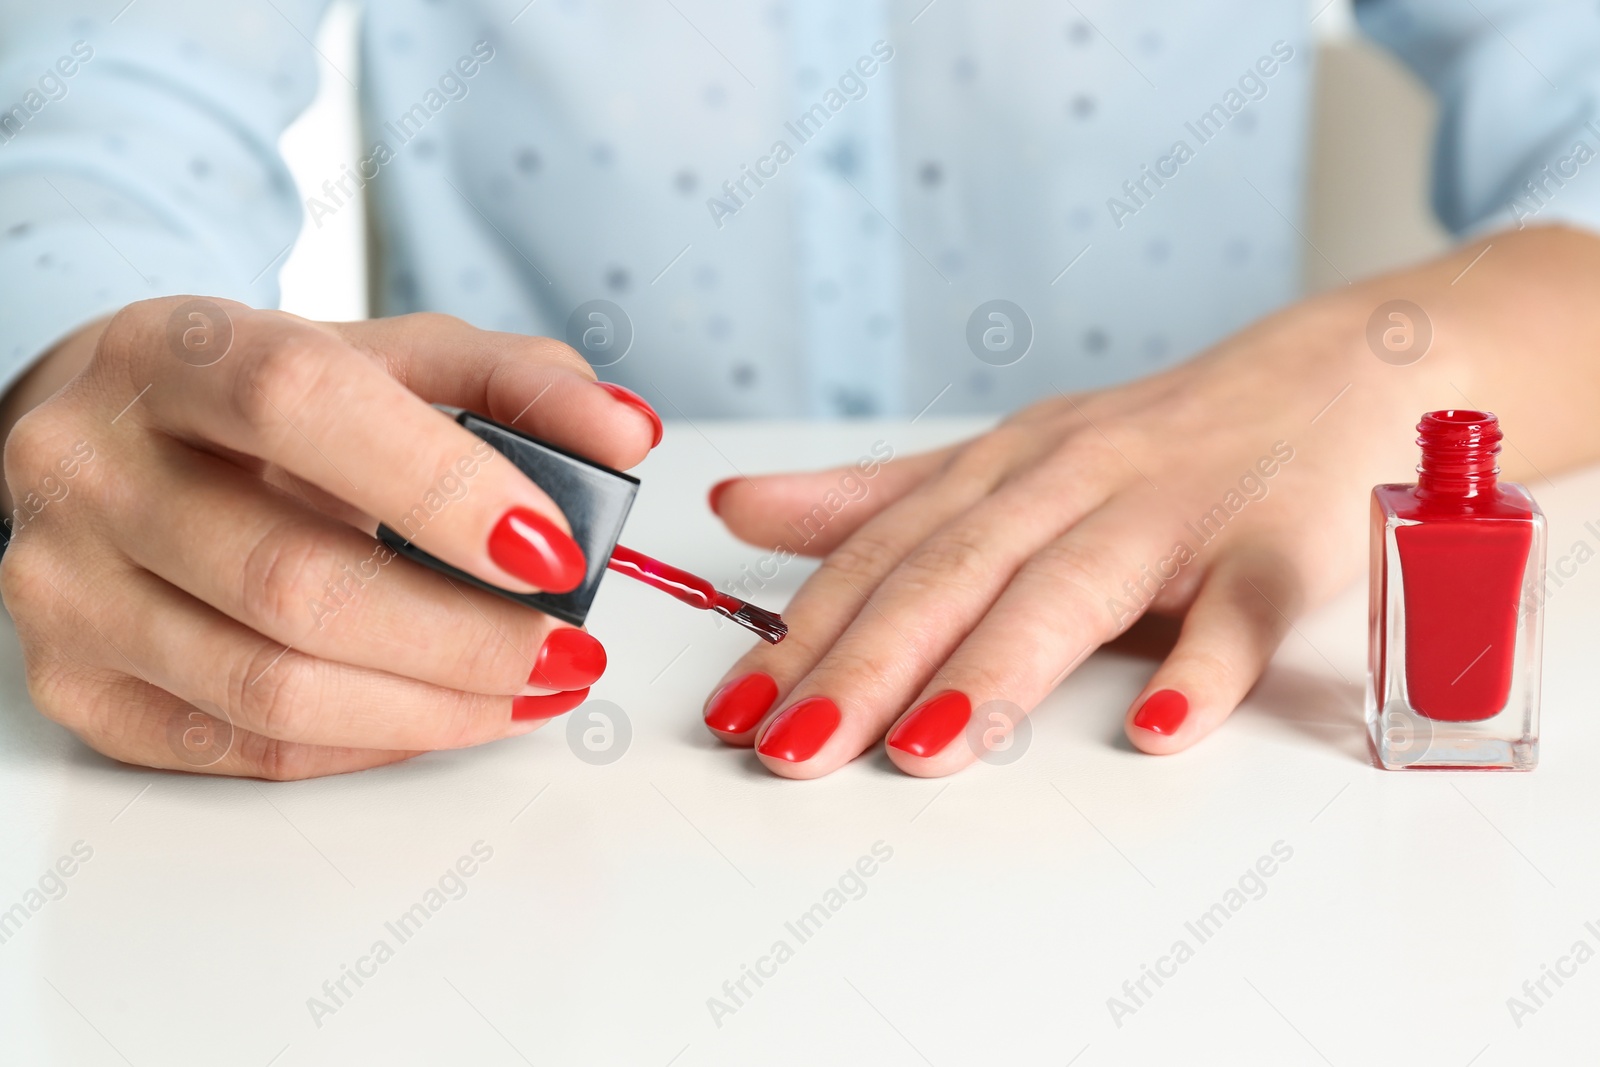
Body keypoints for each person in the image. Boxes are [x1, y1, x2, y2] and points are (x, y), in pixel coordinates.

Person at [1, 0, 1598, 780]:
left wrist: (1384, 362)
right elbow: (102, 121)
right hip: (508, 778)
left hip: (1185, 707)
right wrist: (97, 377)